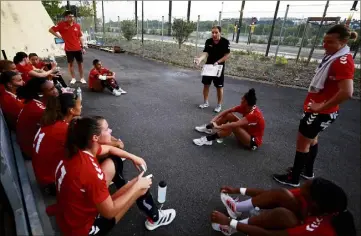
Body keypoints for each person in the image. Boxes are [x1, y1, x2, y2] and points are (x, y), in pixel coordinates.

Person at [55, 116, 176, 235]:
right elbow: (110, 212)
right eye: (107, 129)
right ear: (95, 137)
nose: (110, 131)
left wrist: (132, 157)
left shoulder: (76, 151)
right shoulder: (90, 172)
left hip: (69, 219)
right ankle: (155, 217)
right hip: (83, 229)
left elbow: (108, 149)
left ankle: (152, 211)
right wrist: (136, 187)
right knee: (140, 187)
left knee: (134, 181)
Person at [273, 25, 357, 187]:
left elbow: (347, 92)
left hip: (320, 112)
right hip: (320, 111)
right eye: (324, 41)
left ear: (343, 42)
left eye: (330, 42)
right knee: (312, 140)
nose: (324, 45)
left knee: (302, 143)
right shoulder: (334, 56)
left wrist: (321, 106)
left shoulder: (342, 61)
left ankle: (294, 178)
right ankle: (308, 171)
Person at [211, 178, 356, 236]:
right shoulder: (324, 201)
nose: (300, 190)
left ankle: (232, 227)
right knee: (282, 194)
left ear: (315, 204)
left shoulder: (322, 229)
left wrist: (230, 222)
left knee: (283, 215)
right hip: (306, 221)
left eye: (304, 193)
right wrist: (238, 189)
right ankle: (237, 208)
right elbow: (272, 194)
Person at [32, 92, 82, 195]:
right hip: (53, 183)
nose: (81, 106)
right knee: (111, 159)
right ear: (71, 110)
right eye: (79, 104)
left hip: (44, 178)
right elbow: (90, 150)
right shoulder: (64, 129)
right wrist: (115, 144)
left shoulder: (51, 121)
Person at [193, 88, 265, 150]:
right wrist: (213, 120)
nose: (241, 100)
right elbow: (227, 111)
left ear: (246, 102)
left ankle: (208, 139)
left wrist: (218, 127)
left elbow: (234, 124)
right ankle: (209, 128)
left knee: (233, 126)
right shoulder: (246, 107)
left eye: (242, 99)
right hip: (247, 130)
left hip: (253, 142)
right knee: (229, 115)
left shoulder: (254, 115)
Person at [16, 77, 59, 160]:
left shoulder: (34, 102)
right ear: (40, 93)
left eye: (54, 87)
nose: (56, 91)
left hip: (28, 144)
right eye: (51, 89)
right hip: (31, 151)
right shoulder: (39, 111)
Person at [194, 25, 231, 113]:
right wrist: (200, 59)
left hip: (218, 67)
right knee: (206, 85)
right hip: (208, 67)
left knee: (219, 87)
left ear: (220, 32)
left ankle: (219, 105)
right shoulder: (208, 41)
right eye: (212, 32)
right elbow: (206, 53)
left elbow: (227, 55)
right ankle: (206, 102)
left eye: (216, 32)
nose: (214, 34)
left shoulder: (225, 42)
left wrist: (218, 62)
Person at [49, 10, 86, 85]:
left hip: (78, 48)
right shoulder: (61, 25)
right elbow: (51, 30)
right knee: (70, 64)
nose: (71, 18)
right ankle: (73, 78)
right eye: (69, 16)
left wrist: (83, 47)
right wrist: (59, 36)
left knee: (80, 64)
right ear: (66, 17)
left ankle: (82, 78)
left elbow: (80, 37)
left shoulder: (77, 26)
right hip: (69, 49)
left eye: (72, 16)